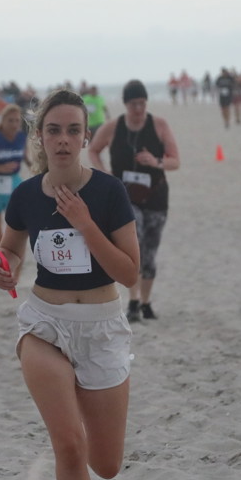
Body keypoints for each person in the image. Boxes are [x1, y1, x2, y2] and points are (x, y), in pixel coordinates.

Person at [0, 88, 139, 480]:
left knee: (107, 464)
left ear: (86, 137)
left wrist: (85, 223)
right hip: (45, 324)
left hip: (101, 327)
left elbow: (130, 274)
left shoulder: (109, 192)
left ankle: (87, 420)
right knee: (69, 444)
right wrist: (5, 268)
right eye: (53, 130)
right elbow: (10, 248)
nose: (63, 140)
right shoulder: (25, 195)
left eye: (73, 130)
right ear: (40, 137)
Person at [88, 80, 179, 322]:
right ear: (125, 104)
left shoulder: (159, 125)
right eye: (133, 104)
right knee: (134, 246)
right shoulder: (113, 127)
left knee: (150, 252)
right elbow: (93, 150)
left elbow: (175, 161)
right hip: (126, 198)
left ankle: (146, 303)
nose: (138, 109)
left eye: (142, 103)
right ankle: (133, 300)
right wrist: (104, 174)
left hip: (156, 196)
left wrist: (156, 162)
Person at [0, 103, 30, 257]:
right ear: (2, 121)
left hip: (14, 184)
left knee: (18, 232)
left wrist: (35, 167)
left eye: (17, 120)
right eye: (10, 120)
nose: (14, 124)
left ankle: (16, 268)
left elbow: (25, 157)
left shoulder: (21, 137)